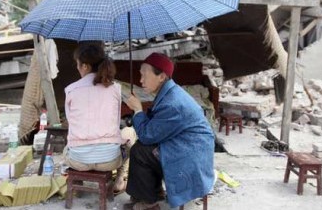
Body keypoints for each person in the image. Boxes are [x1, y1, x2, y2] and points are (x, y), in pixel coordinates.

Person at [124, 53, 215, 210]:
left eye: (144, 75)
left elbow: (147, 135)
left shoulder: (173, 103)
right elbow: (154, 127)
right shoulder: (170, 93)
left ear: (161, 77)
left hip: (190, 156)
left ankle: (149, 203)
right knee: (144, 148)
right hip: (185, 146)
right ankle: (153, 193)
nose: (140, 81)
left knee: (140, 151)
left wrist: (138, 110)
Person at [63, 43, 135, 193]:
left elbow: (71, 123)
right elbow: (115, 123)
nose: (77, 68)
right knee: (129, 132)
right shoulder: (115, 88)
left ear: (85, 66)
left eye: (77, 64)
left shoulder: (70, 90)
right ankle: (120, 180)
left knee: (67, 147)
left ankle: (79, 185)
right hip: (109, 160)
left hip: (78, 161)